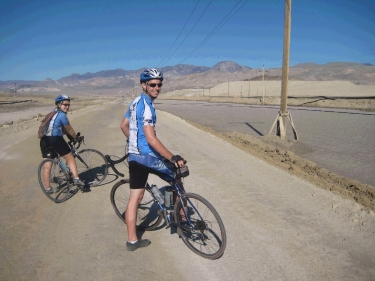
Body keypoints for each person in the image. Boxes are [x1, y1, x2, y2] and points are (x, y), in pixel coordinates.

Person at [120, 68, 186, 251]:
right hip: (147, 157)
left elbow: (123, 125)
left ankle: (132, 241)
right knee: (177, 176)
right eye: (153, 85)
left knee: (136, 197)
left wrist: (132, 142)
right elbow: (151, 139)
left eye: (159, 84)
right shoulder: (147, 107)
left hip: (134, 157)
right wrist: (172, 157)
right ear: (144, 85)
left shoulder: (134, 103)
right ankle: (182, 220)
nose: (157, 88)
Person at [40, 95, 85, 192]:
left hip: (44, 140)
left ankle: (48, 188)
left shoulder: (51, 114)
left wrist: (70, 137)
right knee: (70, 158)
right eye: (65, 105)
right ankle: (76, 179)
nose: (67, 107)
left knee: (47, 164)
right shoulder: (62, 115)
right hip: (55, 139)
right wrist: (76, 138)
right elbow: (68, 128)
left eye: (68, 105)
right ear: (58, 104)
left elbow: (64, 130)